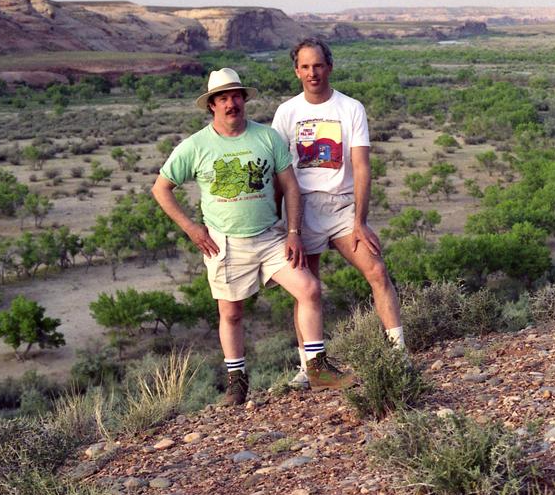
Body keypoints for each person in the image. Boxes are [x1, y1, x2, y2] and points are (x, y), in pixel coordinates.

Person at [152, 67, 353, 406]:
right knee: (231, 314)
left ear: (244, 100)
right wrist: (192, 228)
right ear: (212, 106)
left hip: (272, 237)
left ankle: (316, 368)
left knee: (309, 288)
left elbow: (290, 185)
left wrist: (293, 233)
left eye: (235, 96)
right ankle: (237, 384)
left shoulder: (267, 137)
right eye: (223, 98)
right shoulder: (195, 146)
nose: (231, 103)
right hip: (226, 243)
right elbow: (161, 189)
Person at [273, 39, 404, 388]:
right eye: (305, 66)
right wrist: (284, 225)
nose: (312, 73)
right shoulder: (287, 113)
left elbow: (361, 166)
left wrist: (360, 221)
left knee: (377, 269)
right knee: (306, 288)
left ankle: (398, 353)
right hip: (302, 210)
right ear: (296, 70)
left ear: (329, 66)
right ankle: (310, 367)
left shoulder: (350, 108)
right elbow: (278, 172)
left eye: (318, 65)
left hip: (343, 205)